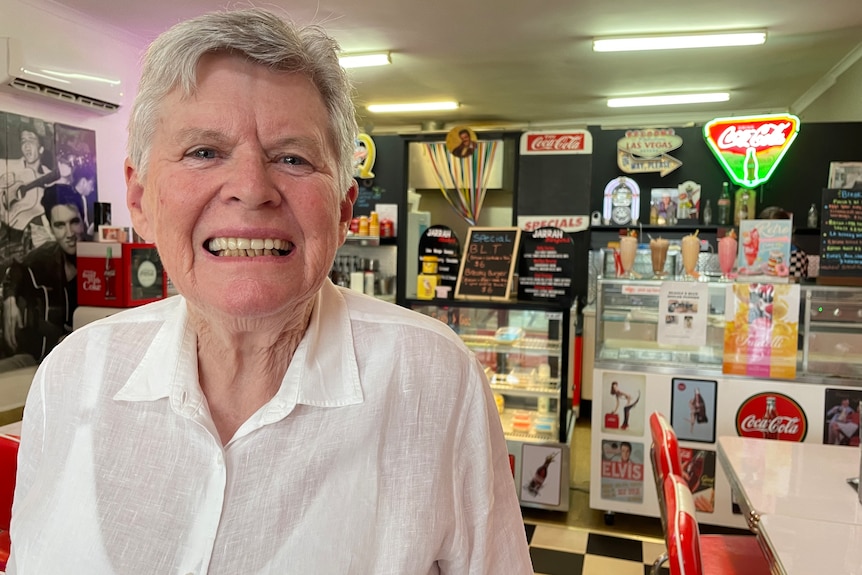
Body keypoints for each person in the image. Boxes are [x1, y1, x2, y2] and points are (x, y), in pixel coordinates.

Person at [8, 9, 532, 574]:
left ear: (342, 209)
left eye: (292, 157)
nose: (253, 190)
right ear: (140, 200)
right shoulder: (72, 376)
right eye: (204, 152)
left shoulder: (432, 380)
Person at [1, 184, 83, 365]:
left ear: (83, 220)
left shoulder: (99, 259)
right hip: (42, 359)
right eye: (60, 225)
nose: (69, 233)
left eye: (74, 222)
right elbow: (16, 267)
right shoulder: (46, 255)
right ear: (51, 228)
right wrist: (10, 299)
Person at [0, 127, 57, 250]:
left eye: (31, 140)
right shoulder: (7, 166)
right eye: (23, 141)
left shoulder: (49, 177)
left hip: (38, 237)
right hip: (5, 234)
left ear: (41, 149)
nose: (26, 145)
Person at [758, 205, 808, 279]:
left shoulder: (796, 255)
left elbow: (793, 284)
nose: (769, 235)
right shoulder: (756, 254)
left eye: (774, 230)